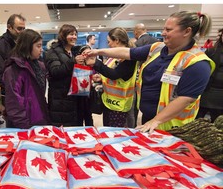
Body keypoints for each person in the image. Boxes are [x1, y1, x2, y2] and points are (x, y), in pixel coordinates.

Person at [86, 11, 215, 133]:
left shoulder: (198, 63)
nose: (163, 33)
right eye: (164, 28)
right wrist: (97, 52)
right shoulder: (157, 48)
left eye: (168, 30)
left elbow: (185, 98)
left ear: (187, 31)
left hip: (173, 126)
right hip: (149, 120)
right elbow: (128, 52)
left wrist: (156, 120)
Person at [85, 27, 137, 128]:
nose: (108, 44)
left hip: (119, 105)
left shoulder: (128, 58)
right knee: (107, 131)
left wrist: (96, 63)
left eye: (109, 42)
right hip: (109, 102)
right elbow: (111, 73)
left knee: (115, 135)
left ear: (117, 40)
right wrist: (101, 78)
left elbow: (115, 74)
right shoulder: (115, 57)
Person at [44, 24, 91, 127]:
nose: (74, 37)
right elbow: (55, 71)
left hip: (76, 98)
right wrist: (73, 61)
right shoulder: (52, 52)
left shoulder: (74, 51)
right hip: (60, 100)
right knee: (63, 130)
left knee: (76, 129)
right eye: (71, 34)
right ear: (63, 36)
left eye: (75, 34)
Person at [3, 29, 50, 129]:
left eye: (41, 45)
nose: (41, 49)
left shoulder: (40, 66)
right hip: (23, 123)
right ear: (27, 46)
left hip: (39, 118)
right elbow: (14, 102)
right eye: (38, 46)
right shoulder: (14, 69)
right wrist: (24, 126)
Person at [0, 14, 26, 96]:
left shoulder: (21, 43)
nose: (22, 32)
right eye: (19, 29)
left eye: (24, 29)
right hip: (9, 94)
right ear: (9, 27)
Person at [196, 29, 223, 122]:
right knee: (198, 119)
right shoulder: (211, 51)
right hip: (208, 90)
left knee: (217, 122)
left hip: (221, 94)